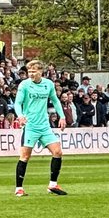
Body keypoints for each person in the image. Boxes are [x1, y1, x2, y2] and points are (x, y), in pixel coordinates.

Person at [13, 60, 68, 197]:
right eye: (29, 72)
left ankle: (53, 185)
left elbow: (55, 100)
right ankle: (19, 188)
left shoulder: (48, 84)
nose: (30, 74)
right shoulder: (24, 85)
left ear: (40, 72)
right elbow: (17, 103)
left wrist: (62, 117)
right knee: (25, 156)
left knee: (58, 152)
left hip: (44, 126)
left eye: (33, 71)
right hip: (30, 126)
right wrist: (20, 116)